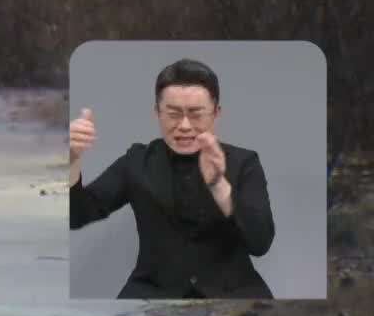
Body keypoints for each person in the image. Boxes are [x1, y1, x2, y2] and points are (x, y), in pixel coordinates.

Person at [69, 57, 276, 299]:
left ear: (216, 113)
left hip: (234, 292)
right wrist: (72, 160)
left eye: (196, 114)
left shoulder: (243, 162)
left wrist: (219, 186)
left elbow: (261, 243)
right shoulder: (137, 161)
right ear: (157, 112)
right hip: (153, 291)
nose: (185, 126)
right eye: (174, 114)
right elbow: (77, 215)